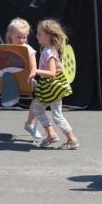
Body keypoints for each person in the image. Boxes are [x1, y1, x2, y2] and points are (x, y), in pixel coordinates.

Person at [0, 18, 40, 140]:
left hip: (25, 83)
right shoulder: (1, 50)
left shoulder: (28, 49)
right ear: (10, 35)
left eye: (24, 37)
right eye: (19, 37)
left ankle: (30, 123)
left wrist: (32, 74)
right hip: (2, 84)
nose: (22, 40)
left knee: (41, 92)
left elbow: (34, 68)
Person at [28, 19, 79, 149]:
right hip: (47, 87)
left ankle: (72, 139)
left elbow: (52, 73)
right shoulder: (46, 49)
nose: (36, 36)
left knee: (57, 116)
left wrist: (36, 71)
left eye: (39, 34)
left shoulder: (49, 52)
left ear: (49, 36)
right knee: (37, 109)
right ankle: (51, 134)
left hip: (52, 87)